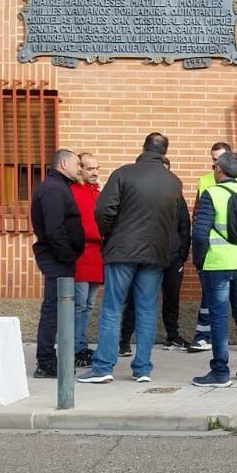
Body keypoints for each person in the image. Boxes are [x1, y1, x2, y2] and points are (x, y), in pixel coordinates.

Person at [80, 133, 183, 384]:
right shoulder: (174, 182)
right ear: (164, 153)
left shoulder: (123, 173)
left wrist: (109, 233)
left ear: (144, 148)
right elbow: (173, 220)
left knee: (113, 308)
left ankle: (103, 367)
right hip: (155, 253)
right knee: (147, 310)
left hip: (122, 250)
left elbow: (104, 210)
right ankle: (143, 368)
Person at [191, 150, 237, 387]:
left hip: (218, 264)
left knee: (219, 316)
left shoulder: (211, 194)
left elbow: (200, 232)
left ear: (219, 170)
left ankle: (220, 371)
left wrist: (199, 260)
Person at [121, 156, 192, 355]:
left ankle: (173, 335)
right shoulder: (137, 196)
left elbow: (184, 226)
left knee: (172, 299)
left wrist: (181, 254)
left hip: (172, 257)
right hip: (146, 255)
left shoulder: (177, 197)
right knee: (135, 299)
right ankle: (125, 340)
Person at [28, 148, 85, 379]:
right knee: (53, 310)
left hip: (60, 259)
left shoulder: (59, 187)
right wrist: (68, 256)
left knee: (58, 309)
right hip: (57, 259)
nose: (79, 168)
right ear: (63, 164)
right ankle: (46, 362)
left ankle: (51, 359)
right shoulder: (53, 189)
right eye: (77, 164)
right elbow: (55, 229)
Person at [71, 151, 104, 366]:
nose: (94, 172)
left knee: (90, 304)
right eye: (90, 168)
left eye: (96, 168)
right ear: (80, 169)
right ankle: (75, 347)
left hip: (97, 254)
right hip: (81, 254)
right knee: (79, 304)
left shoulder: (97, 192)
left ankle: (81, 345)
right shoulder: (73, 191)